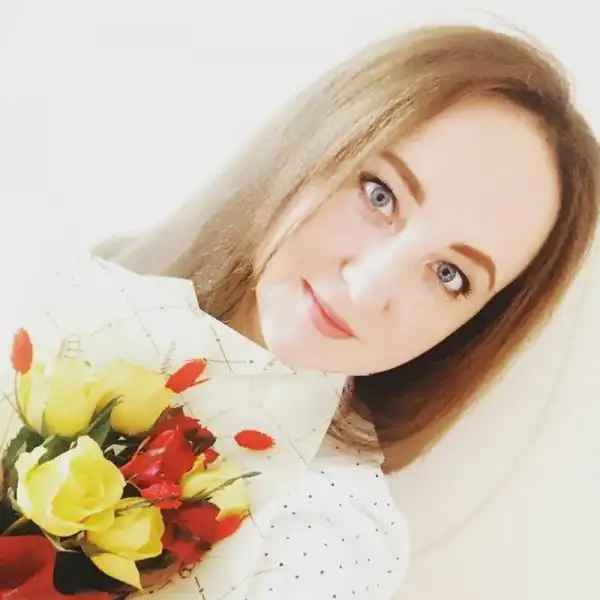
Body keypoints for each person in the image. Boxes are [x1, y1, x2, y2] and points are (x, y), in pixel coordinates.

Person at [96, 24, 599, 600]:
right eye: (380, 195)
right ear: (324, 141)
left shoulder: (326, 542)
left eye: (449, 274)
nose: (367, 286)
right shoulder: (88, 290)